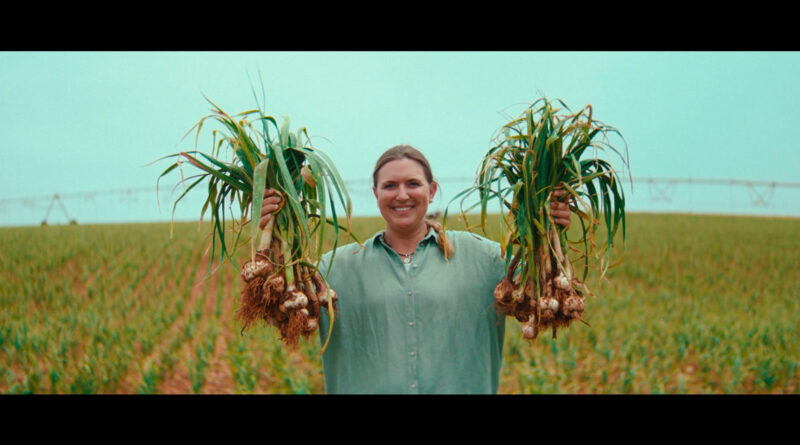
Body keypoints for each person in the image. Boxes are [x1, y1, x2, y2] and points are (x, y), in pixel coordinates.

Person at [258, 145, 571, 394]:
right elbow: (280, 315)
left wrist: (548, 227)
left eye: (413, 184)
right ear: (376, 193)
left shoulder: (485, 258)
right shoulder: (331, 268)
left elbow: (540, 292)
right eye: (390, 185)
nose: (402, 195)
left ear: (432, 191)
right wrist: (272, 239)